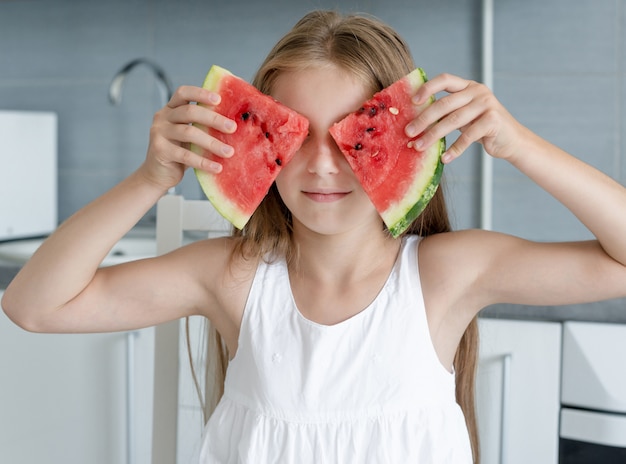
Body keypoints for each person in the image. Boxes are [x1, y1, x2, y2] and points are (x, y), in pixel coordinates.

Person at [3, 9, 626, 464]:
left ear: (410, 140)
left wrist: (518, 145)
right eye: (293, 136)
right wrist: (148, 179)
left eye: (356, 139)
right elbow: (32, 305)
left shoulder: (444, 274)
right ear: (258, 145)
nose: (324, 165)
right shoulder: (233, 276)